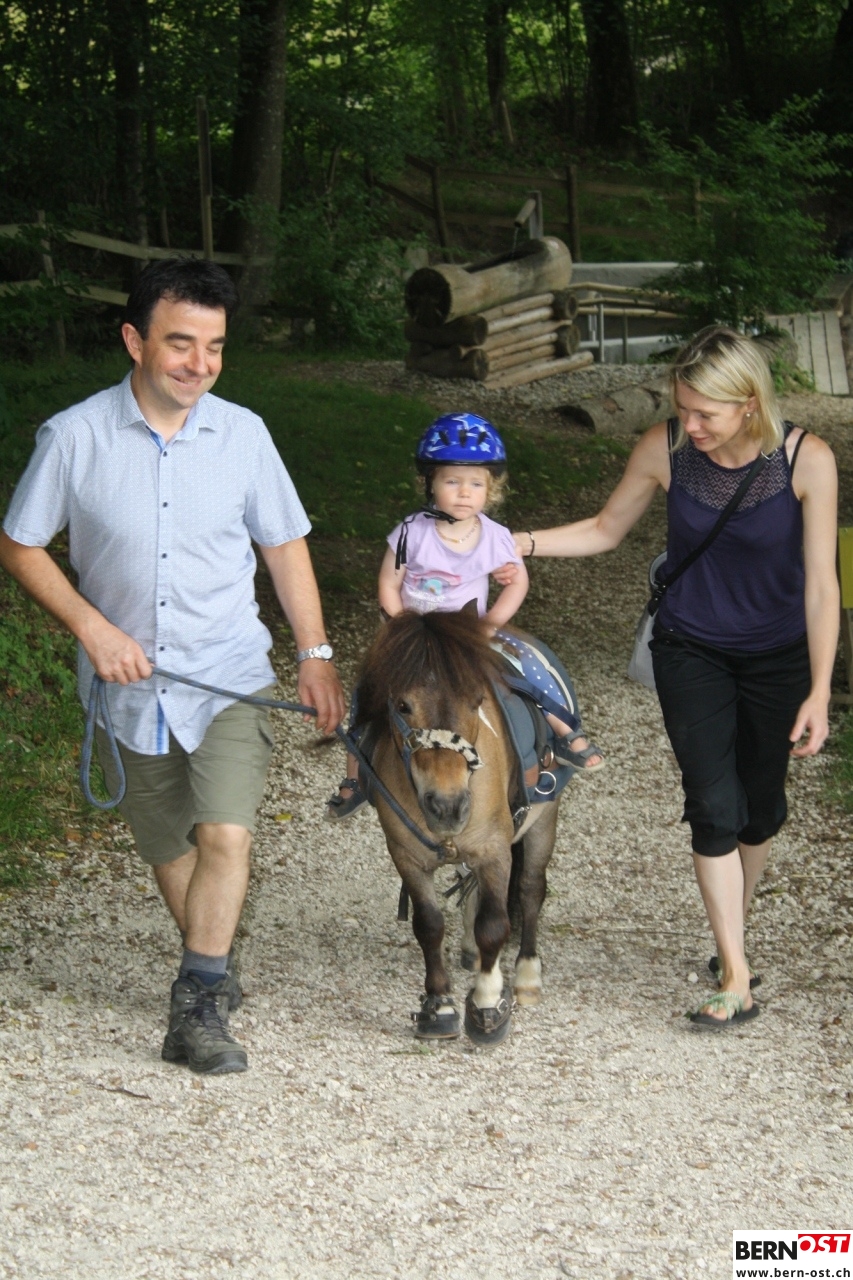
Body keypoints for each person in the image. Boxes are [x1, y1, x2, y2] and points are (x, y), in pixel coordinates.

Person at [0, 257, 346, 1074]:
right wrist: (92, 629)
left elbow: (284, 546)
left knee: (225, 831)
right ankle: (211, 965)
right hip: (123, 690)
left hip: (227, 673)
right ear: (135, 340)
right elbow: (19, 545)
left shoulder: (244, 435)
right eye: (181, 343)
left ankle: (196, 1005)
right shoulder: (74, 437)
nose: (199, 364)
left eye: (214, 347)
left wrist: (315, 654)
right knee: (169, 847)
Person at [508, 326, 839, 1028]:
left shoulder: (806, 460)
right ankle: (736, 973)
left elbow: (820, 586)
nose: (689, 426)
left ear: (749, 404)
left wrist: (818, 690)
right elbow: (605, 529)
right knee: (713, 804)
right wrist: (515, 543)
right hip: (690, 649)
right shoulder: (663, 450)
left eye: (704, 414)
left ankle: (732, 934)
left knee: (759, 808)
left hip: (778, 655)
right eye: (682, 409)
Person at [326, 412, 604, 820]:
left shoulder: (494, 537)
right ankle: (356, 776)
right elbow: (389, 582)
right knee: (369, 688)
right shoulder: (410, 533)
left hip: (468, 634)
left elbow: (518, 583)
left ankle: (563, 730)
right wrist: (399, 624)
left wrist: (491, 624)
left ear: (491, 489)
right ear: (430, 483)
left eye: (475, 483)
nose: (463, 493)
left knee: (520, 671)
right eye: (452, 481)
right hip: (415, 634)